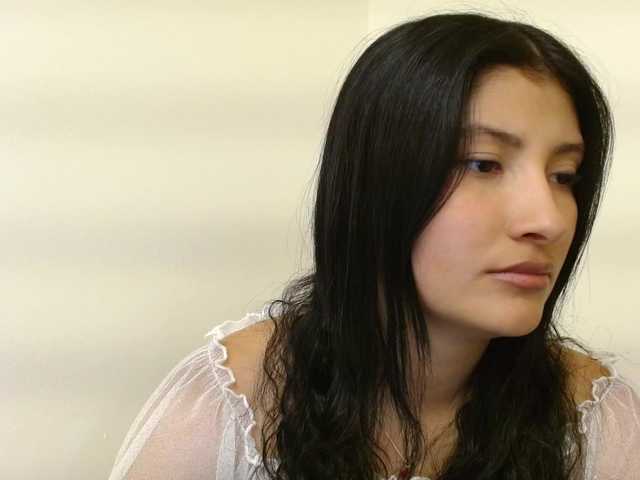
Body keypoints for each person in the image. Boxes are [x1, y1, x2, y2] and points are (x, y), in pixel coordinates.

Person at [106, 11, 640, 480]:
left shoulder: (595, 422)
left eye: (564, 175)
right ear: (376, 183)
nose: (547, 219)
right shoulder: (231, 406)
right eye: (483, 164)